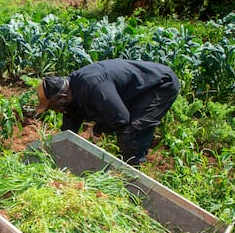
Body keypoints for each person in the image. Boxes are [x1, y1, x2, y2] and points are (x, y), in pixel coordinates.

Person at [36, 59, 180, 166]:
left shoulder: (92, 86)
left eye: (52, 106)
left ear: (62, 97)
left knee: (131, 132)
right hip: (133, 92)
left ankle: (132, 177)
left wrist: (98, 129)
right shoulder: (71, 93)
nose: (54, 110)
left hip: (158, 85)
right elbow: (69, 128)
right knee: (119, 120)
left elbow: (121, 119)